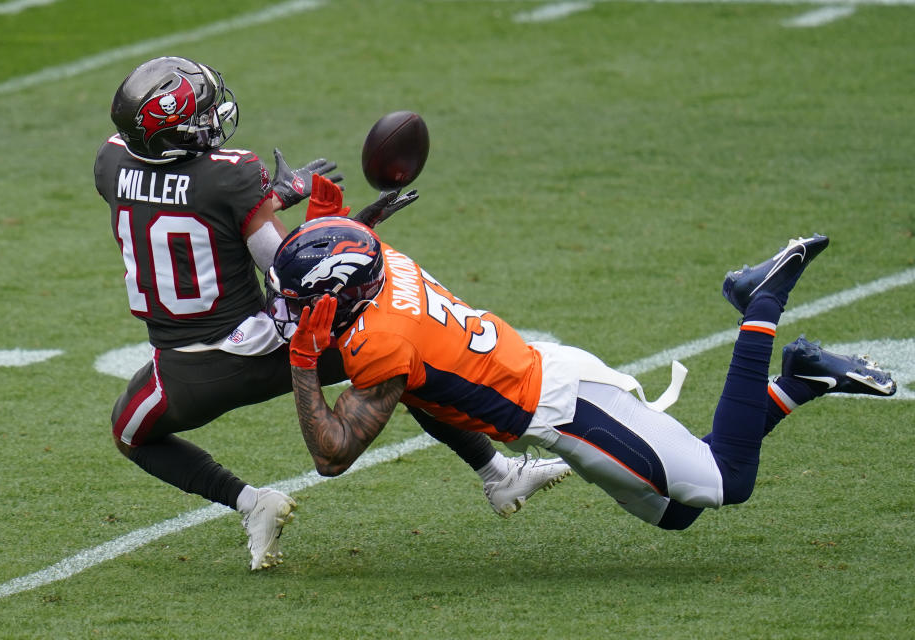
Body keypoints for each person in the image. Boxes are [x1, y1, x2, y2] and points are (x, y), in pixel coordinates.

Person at [93, 56, 569, 570]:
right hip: (265, 346)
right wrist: (332, 225)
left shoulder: (111, 161)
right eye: (202, 115)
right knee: (397, 361)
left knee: (130, 432)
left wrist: (270, 199)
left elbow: (172, 199)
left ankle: (252, 503)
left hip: (184, 373)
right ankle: (497, 472)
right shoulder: (233, 176)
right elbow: (286, 272)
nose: (213, 119)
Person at [267, 195, 897, 532]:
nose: (292, 310)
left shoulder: (381, 343)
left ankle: (762, 303)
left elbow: (332, 455)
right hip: (548, 382)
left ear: (342, 292)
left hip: (567, 408)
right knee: (675, 512)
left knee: (724, 483)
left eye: (302, 300)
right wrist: (345, 219)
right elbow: (355, 252)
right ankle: (802, 379)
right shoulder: (384, 259)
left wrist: (302, 362)